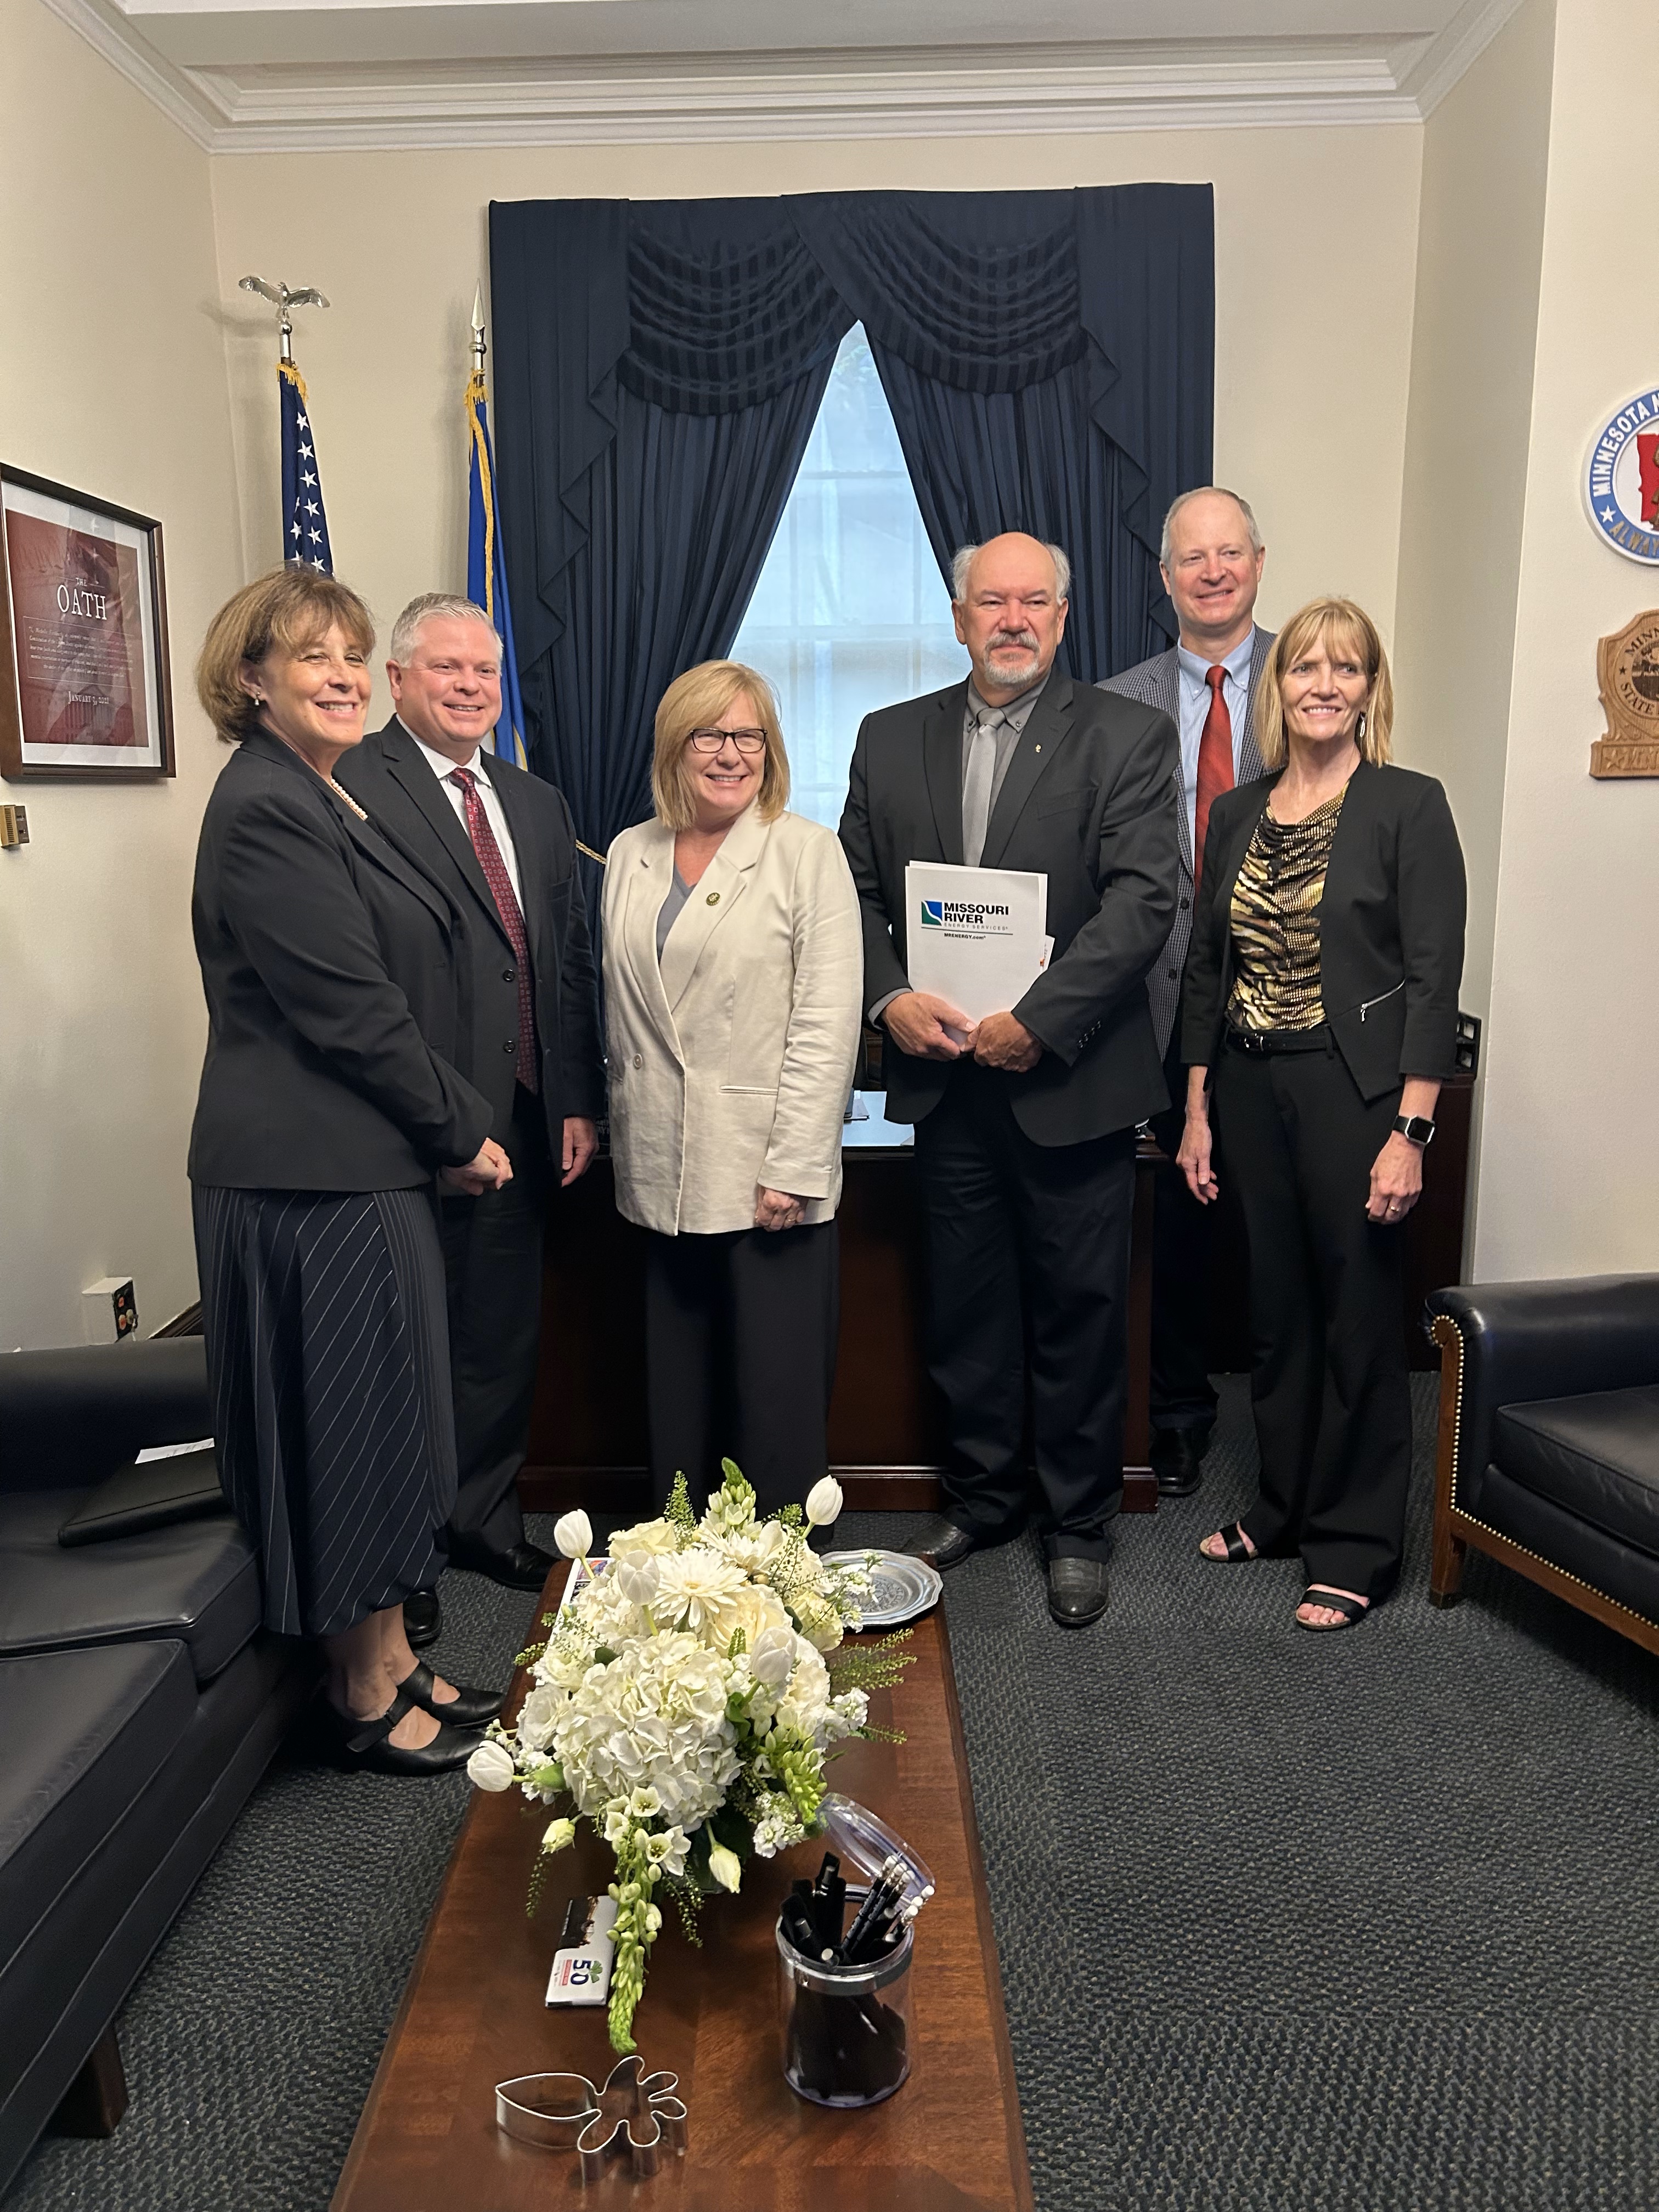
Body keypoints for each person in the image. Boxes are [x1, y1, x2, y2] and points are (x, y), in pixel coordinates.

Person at [190, 568, 514, 1771]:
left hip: (351, 1166)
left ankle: (392, 1659)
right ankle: (364, 1693)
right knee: (353, 1433)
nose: (336, 674)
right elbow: (352, 1013)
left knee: (384, 1421)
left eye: (348, 654)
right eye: (309, 656)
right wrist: (459, 1130)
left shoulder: (326, 797)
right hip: (307, 1181)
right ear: (249, 679)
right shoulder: (271, 806)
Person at [840, 533, 1178, 1628]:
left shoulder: (1129, 737)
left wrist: (1036, 1023)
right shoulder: (889, 739)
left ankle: (1077, 1526)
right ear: (958, 615)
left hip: (1069, 1080)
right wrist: (889, 998)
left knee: (1080, 1313)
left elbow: (1141, 903)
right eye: (994, 601)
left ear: (1065, 618)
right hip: (947, 1083)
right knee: (966, 1307)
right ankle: (983, 1500)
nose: (1015, 618)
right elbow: (852, 890)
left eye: (1036, 601)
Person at [1176, 596, 1465, 1630]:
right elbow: (1210, 970)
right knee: (1277, 1314)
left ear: (1369, 688)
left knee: (1353, 1321)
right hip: (1250, 1089)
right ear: (1278, 685)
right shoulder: (1236, 813)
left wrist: (1412, 1133)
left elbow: (1434, 980)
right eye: (1305, 667)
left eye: (1346, 669)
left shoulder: (1407, 804)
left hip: (1359, 1094)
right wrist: (1199, 1107)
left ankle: (1354, 1546)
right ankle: (1284, 1509)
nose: (1324, 685)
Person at [338, 595, 603, 1641]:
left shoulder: (534, 803)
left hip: (530, 1114)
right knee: (409, 1353)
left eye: (485, 672)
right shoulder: (352, 787)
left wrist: (574, 1096)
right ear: (398, 679)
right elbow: (359, 979)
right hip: (414, 1129)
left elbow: (561, 965)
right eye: (445, 668)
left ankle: (486, 1519)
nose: (469, 688)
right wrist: (442, 1127)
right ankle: (409, 1556)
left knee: (500, 1336)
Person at [602, 660, 863, 1515]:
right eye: (708, 734)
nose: (729, 754)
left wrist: (793, 1165)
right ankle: (680, 1580)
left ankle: (784, 1589)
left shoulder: (804, 850)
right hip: (659, 1167)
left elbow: (826, 1023)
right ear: (674, 747)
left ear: (770, 749)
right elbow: (618, 1013)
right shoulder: (630, 853)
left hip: (765, 1176)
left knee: (773, 1404)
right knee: (677, 1401)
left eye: (747, 735)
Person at [1099, 486, 1274, 1501]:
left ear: (1258, 561)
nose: (1212, 571)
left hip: (1281, 1006)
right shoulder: (1117, 701)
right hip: (1154, 1004)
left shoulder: (1316, 679)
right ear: (1164, 578)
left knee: (1268, 1221)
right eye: (1191, 558)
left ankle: (1285, 1426)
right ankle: (1174, 1414)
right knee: (1169, 1220)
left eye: (1230, 553)